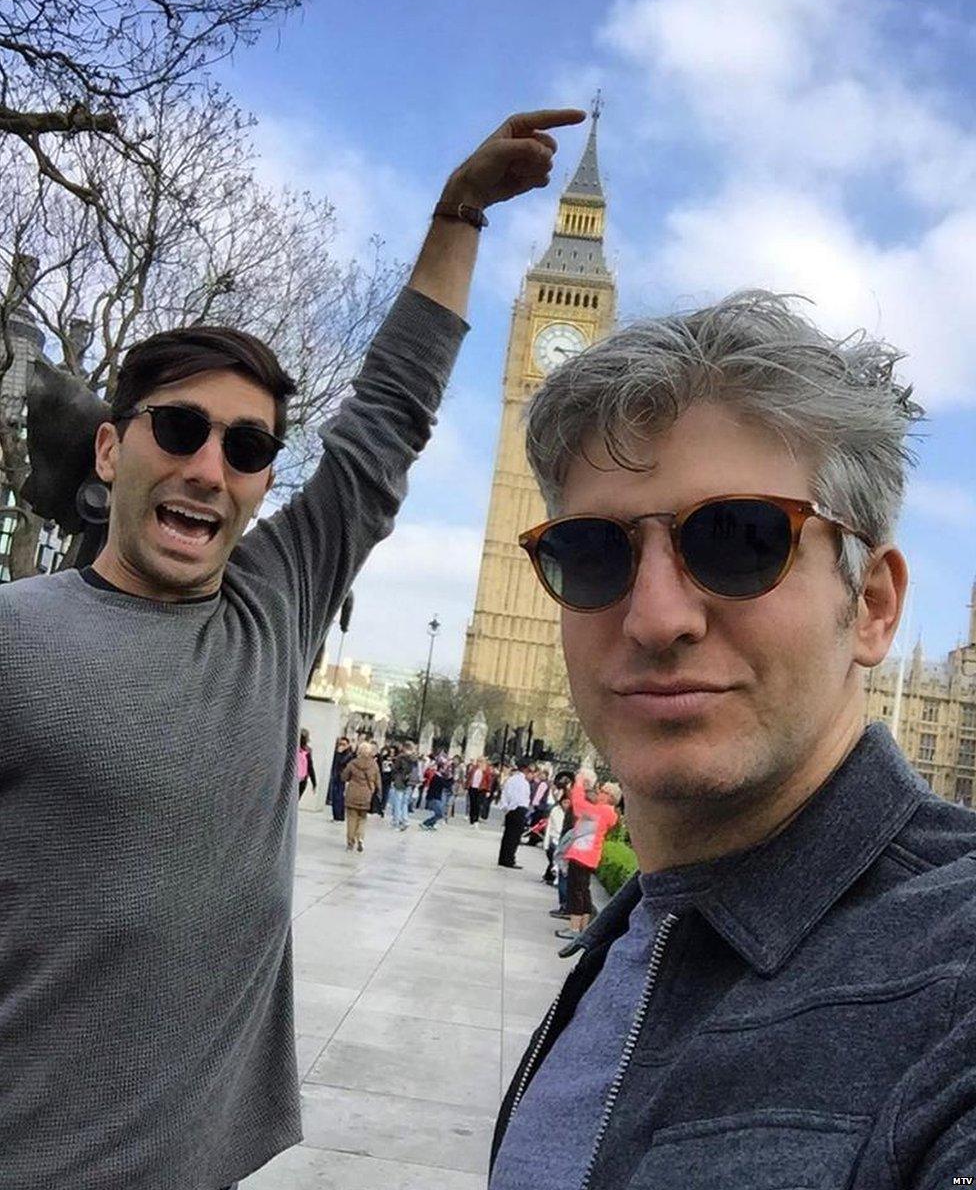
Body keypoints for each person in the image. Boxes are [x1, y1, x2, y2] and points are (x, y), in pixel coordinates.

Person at [0, 104, 586, 1190]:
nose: (210, 467)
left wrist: (458, 214)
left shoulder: (272, 605)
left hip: (208, 1163)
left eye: (250, 446)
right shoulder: (15, 637)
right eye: (179, 430)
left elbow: (387, 418)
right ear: (111, 446)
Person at [487, 291, 976, 1188]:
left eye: (740, 540)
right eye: (594, 552)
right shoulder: (637, 936)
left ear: (870, 606)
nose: (656, 616)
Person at [554, 774, 620, 940]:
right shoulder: (606, 812)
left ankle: (575, 928)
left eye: (603, 791)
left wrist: (579, 783)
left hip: (582, 855)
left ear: (610, 797)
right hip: (587, 855)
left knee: (576, 892)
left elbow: (578, 805)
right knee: (583, 891)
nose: (599, 792)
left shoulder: (601, 811)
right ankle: (583, 926)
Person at [341, 741, 381, 852]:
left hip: (352, 793)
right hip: (366, 794)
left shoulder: (353, 763)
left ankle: (350, 843)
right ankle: (360, 838)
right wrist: (378, 793)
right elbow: (378, 782)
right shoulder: (374, 765)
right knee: (362, 819)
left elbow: (344, 777)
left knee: (351, 819)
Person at [497, 757, 532, 868]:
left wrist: (506, 808)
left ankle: (503, 858)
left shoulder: (511, 779)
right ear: (526, 770)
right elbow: (520, 798)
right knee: (514, 836)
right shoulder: (523, 782)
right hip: (518, 809)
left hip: (510, 810)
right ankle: (509, 859)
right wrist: (514, 807)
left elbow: (505, 794)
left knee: (507, 835)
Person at [419, 758, 451, 830]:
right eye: (444, 769)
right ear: (441, 769)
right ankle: (425, 823)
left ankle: (431, 824)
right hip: (433, 798)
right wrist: (452, 779)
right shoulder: (437, 777)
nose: (445, 771)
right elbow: (446, 785)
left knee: (438, 813)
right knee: (439, 814)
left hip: (435, 797)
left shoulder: (439, 776)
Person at [389, 741, 414, 831]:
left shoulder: (400, 757)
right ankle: (405, 820)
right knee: (404, 803)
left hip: (400, 781)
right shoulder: (415, 758)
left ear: (404, 748)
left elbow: (395, 769)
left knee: (398, 802)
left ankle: (397, 821)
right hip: (410, 782)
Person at [328, 734, 353, 820]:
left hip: (342, 778)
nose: (342, 746)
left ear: (348, 745)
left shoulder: (349, 755)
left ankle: (339, 815)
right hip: (335, 776)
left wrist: (339, 753)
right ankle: (336, 815)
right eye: (340, 744)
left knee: (339, 796)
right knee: (335, 796)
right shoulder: (337, 753)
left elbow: (341, 762)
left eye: (344, 744)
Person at [296, 728, 317, 800]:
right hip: (301, 779)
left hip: (298, 779)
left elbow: (310, 767)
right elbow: (310, 767)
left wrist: (314, 783)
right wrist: (314, 783)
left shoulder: (294, 748)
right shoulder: (307, 750)